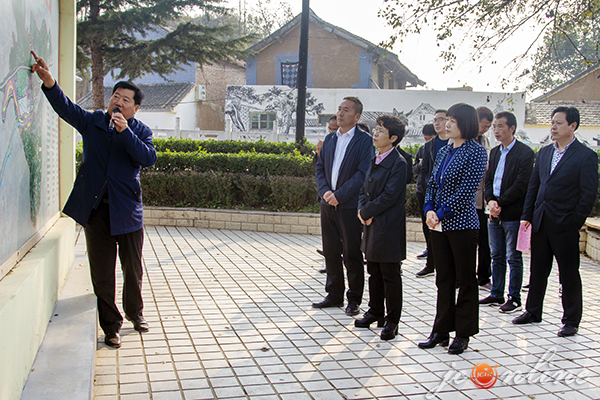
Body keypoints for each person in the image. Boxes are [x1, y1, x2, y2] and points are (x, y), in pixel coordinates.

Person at [31, 51, 157, 349]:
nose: (118, 101)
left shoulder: (141, 131)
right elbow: (66, 108)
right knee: (102, 273)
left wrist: (125, 132)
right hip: (97, 213)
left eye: (126, 99)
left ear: (135, 108)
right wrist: (50, 82)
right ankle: (110, 326)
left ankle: (135, 313)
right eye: (116, 96)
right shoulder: (93, 123)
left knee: (132, 268)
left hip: (127, 212)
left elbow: (147, 158)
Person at [512, 106, 598, 337]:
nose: (553, 126)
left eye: (559, 123)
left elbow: (588, 194)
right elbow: (534, 186)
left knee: (568, 274)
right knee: (538, 270)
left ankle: (571, 320)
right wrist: (527, 216)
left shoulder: (586, 156)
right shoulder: (545, 152)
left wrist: (574, 221)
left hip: (565, 224)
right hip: (540, 221)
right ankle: (532, 311)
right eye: (552, 122)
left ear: (573, 126)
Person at [418, 103, 487, 355]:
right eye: (447, 119)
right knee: (443, 278)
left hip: (462, 225)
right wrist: (428, 209)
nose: (447, 124)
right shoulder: (446, 149)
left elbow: (466, 192)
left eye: (453, 121)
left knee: (466, 280)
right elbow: (432, 183)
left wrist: (440, 213)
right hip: (438, 224)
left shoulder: (477, 152)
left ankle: (463, 333)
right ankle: (440, 331)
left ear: (466, 124)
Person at [313, 97, 374, 315]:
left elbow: (362, 173)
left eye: (345, 110)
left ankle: (354, 299)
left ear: (357, 117)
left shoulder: (365, 141)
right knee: (330, 250)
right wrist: (326, 192)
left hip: (348, 205)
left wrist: (340, 195)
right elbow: (320, 168)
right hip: (327, 203)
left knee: (351, 252)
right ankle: (334, 294)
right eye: (339, 108)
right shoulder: (330, 139)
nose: (340, 113)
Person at [355, 115, 407, 340]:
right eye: (375, 129)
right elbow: (362, 188)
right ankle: (375, 311)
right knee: (373, 271)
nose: (375, 134)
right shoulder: (374, 157)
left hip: (388, 226)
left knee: (390, 274)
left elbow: (389, 196)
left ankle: (392, 321)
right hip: (372, 224)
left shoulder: (399, 163)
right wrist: (360, 209)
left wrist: (367, 212)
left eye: (381, 131)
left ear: (394, 138)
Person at [479, 112, 534, 313]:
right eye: (494, 126)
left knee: (514, 256)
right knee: (497, 255)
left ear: (512, 128)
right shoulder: (494, 152)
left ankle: (515, 297)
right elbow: (489, 180)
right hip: (494, 212)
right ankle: (496, 292)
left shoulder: (525, 153)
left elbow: (521, 184)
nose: (496, 130)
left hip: (513, 213)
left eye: (500, 126)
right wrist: (490, 201)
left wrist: (499, 202)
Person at [415, 110, 448, 277]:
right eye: (435, 119)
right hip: (427, 193)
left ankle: (445, 266)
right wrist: (423, 190)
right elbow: (424, 170)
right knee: (428, 228)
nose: (437, 122)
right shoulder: (429, 146)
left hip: (446, 196)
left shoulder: (454, 144)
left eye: (440, 119)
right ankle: (430, 264)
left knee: (444, 233)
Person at [315, 115, 339, 268]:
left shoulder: (349, 145)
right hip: (326, 197)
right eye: (330, 128)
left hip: (343, 198)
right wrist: (318, 153)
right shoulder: (326, 143)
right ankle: (329, 261)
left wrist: (339, 194)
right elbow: (319, 169)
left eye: (335, 129)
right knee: (329, 235)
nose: (331, 131)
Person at [475, 107, 493, 290]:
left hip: (483, 199)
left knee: (484, 241)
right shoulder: (462, 141)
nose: (485, 129)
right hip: (467, 201)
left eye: (488, 127)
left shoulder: (485, 141)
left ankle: (483, 276)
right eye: (484, 125)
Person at [413, 124, 437, 260]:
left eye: (430, 138)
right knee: (424, 221)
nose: (428, 141)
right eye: (425, 138)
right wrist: (420, 165)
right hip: (421, 189)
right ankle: (428, 248)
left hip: (433, 191)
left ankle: (434, 252)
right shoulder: (422, 150)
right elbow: (413, 170)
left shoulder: (441, 149)